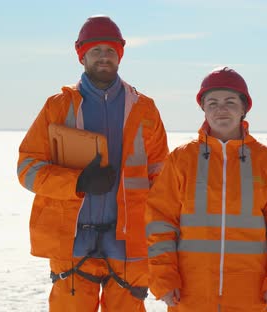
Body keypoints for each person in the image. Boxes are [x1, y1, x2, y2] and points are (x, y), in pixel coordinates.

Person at [17, 15, 168, 311]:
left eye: (111, 51)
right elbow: (27, 168)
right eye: (96, 50)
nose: (104, 57)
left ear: (120, 56)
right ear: (82, 56)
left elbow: (162, 178)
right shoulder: (57, 108)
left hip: (130, 244)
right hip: (72, 243)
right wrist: (78, 182)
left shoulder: (145, 109)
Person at [145, 67, 267, 311]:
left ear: (243, 108)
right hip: (189, 295)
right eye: (213, 103)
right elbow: (160, 223)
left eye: (230, 101)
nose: (221, 109)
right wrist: (164, 277)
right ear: (203, 109)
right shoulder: (181, 160)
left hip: (252, 296)